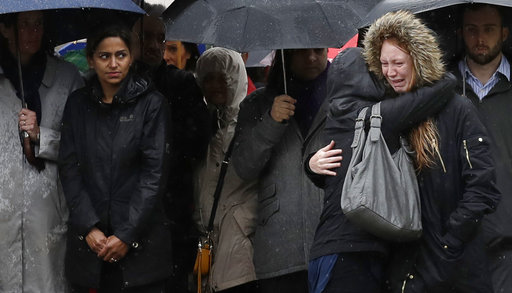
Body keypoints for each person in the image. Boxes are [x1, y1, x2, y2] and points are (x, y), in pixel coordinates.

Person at [307, 10, 500, 293]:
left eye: (398, 62)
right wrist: (310, 164)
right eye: (383, 64)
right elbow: (338, 146)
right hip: (405, 273)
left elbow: (482, 187)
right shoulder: (381, 114)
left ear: (418, 60)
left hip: (455, 268)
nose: (390, 72)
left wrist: (449, 243)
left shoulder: (457, 109)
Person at [58, 24, 172, 292]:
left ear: (131, 57)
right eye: (104, 56)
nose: (113, 64)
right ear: (90, 59)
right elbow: (69, 168)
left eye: (120, 55)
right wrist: (88, 227)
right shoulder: (78, 104)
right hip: (90, 247)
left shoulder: (151, 104)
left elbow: (153, 175)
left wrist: (125, 235)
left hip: (141, 250)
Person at [231, 48, 329, 292]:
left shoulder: (343, 96)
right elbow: (244, 167)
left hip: (333, 241)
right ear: (286, 54)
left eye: (319, 50)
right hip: (280, 247)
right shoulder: (256, 104)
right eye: (302, 52)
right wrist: (271, 123)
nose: (312, 58)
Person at [0, 10, 83, 292]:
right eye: (25, 25)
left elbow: (84, 147)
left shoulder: (67, 78)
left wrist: (41, 137)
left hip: (48, 217)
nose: (34, 32)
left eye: (39, 24)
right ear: (6, 29)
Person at [131, 6, 210, 292]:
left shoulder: (182, 84)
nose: (153, 45)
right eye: (145, 37)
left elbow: (198, 143)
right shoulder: (114, 85)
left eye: (160, 38)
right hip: (126, 223)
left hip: (172, 219)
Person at [455, 4, 512, 292]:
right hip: (458, 238)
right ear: (460, 33)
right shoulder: (443, 88)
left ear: (504, 33)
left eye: (488, 29)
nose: (480, 38)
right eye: (472, 29)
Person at [193, 47, 258, 293]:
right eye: (208, 78)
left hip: (238, 242)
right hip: (209, 241)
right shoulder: (203, 125)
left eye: (223, 77)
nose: (215, 85)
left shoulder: (249, 124)